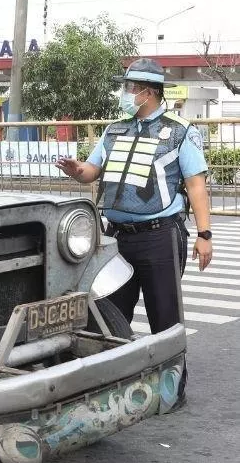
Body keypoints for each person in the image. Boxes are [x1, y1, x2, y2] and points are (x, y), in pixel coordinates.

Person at [56, 58, 213, 338]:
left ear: (147, 93)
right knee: (107, 321)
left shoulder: (180, 131)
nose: (124, 94)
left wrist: (205, 235)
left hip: (160, 236)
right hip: (115, 239)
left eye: (128, 88)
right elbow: (92, 170)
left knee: (165, 321)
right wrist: (77, 170)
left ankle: (173, 380)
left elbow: (196, 185)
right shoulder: (114, 129)